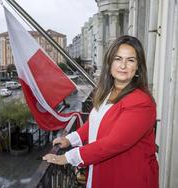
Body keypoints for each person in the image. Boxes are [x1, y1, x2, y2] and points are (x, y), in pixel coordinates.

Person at [43, 35, 158, 188]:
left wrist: (69, 157)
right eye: (118, 59)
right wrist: (71, 139)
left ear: (137, 67)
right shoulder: (108, 92)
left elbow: (115, 142)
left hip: (127, 177)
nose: (123, 65)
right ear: (110, 63)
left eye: (130, 60)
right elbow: (95, 123)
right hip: (103, 170)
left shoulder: (141, 102)